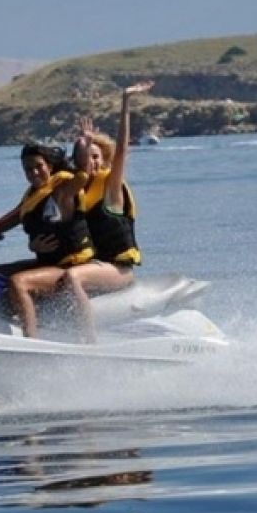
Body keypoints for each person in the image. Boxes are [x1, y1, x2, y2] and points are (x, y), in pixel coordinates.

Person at [60, 80, 152, 342]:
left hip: (117, 268)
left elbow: (123, 149)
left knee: (70, 277)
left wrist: (125, 101)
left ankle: (89, 341)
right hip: (94, 264)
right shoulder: (74, 191)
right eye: (87, 155)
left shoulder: (110, 188)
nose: (92, 160)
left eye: (97, 156)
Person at [0, 142, 94, 337]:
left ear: (49, 167)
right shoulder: (31, 196)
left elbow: (82, 177)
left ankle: (31, 339)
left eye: (38, 167)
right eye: (28, 169)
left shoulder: (62, 190)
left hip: (67, 266)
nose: (34, 172)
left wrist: (85, 143)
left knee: (18, 281)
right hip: (46, 263)